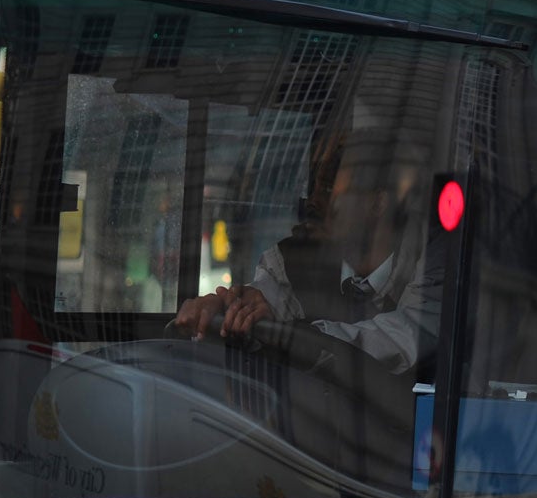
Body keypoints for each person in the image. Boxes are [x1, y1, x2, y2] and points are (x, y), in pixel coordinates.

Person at [173, 121, 439, 376]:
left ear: (378, 203)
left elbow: (405, 338)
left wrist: (300, 338)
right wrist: (222, 308)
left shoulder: (435, 261)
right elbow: (266, 302)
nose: (312, 203)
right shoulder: (295, 259)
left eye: (328, 188)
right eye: (311, 188)